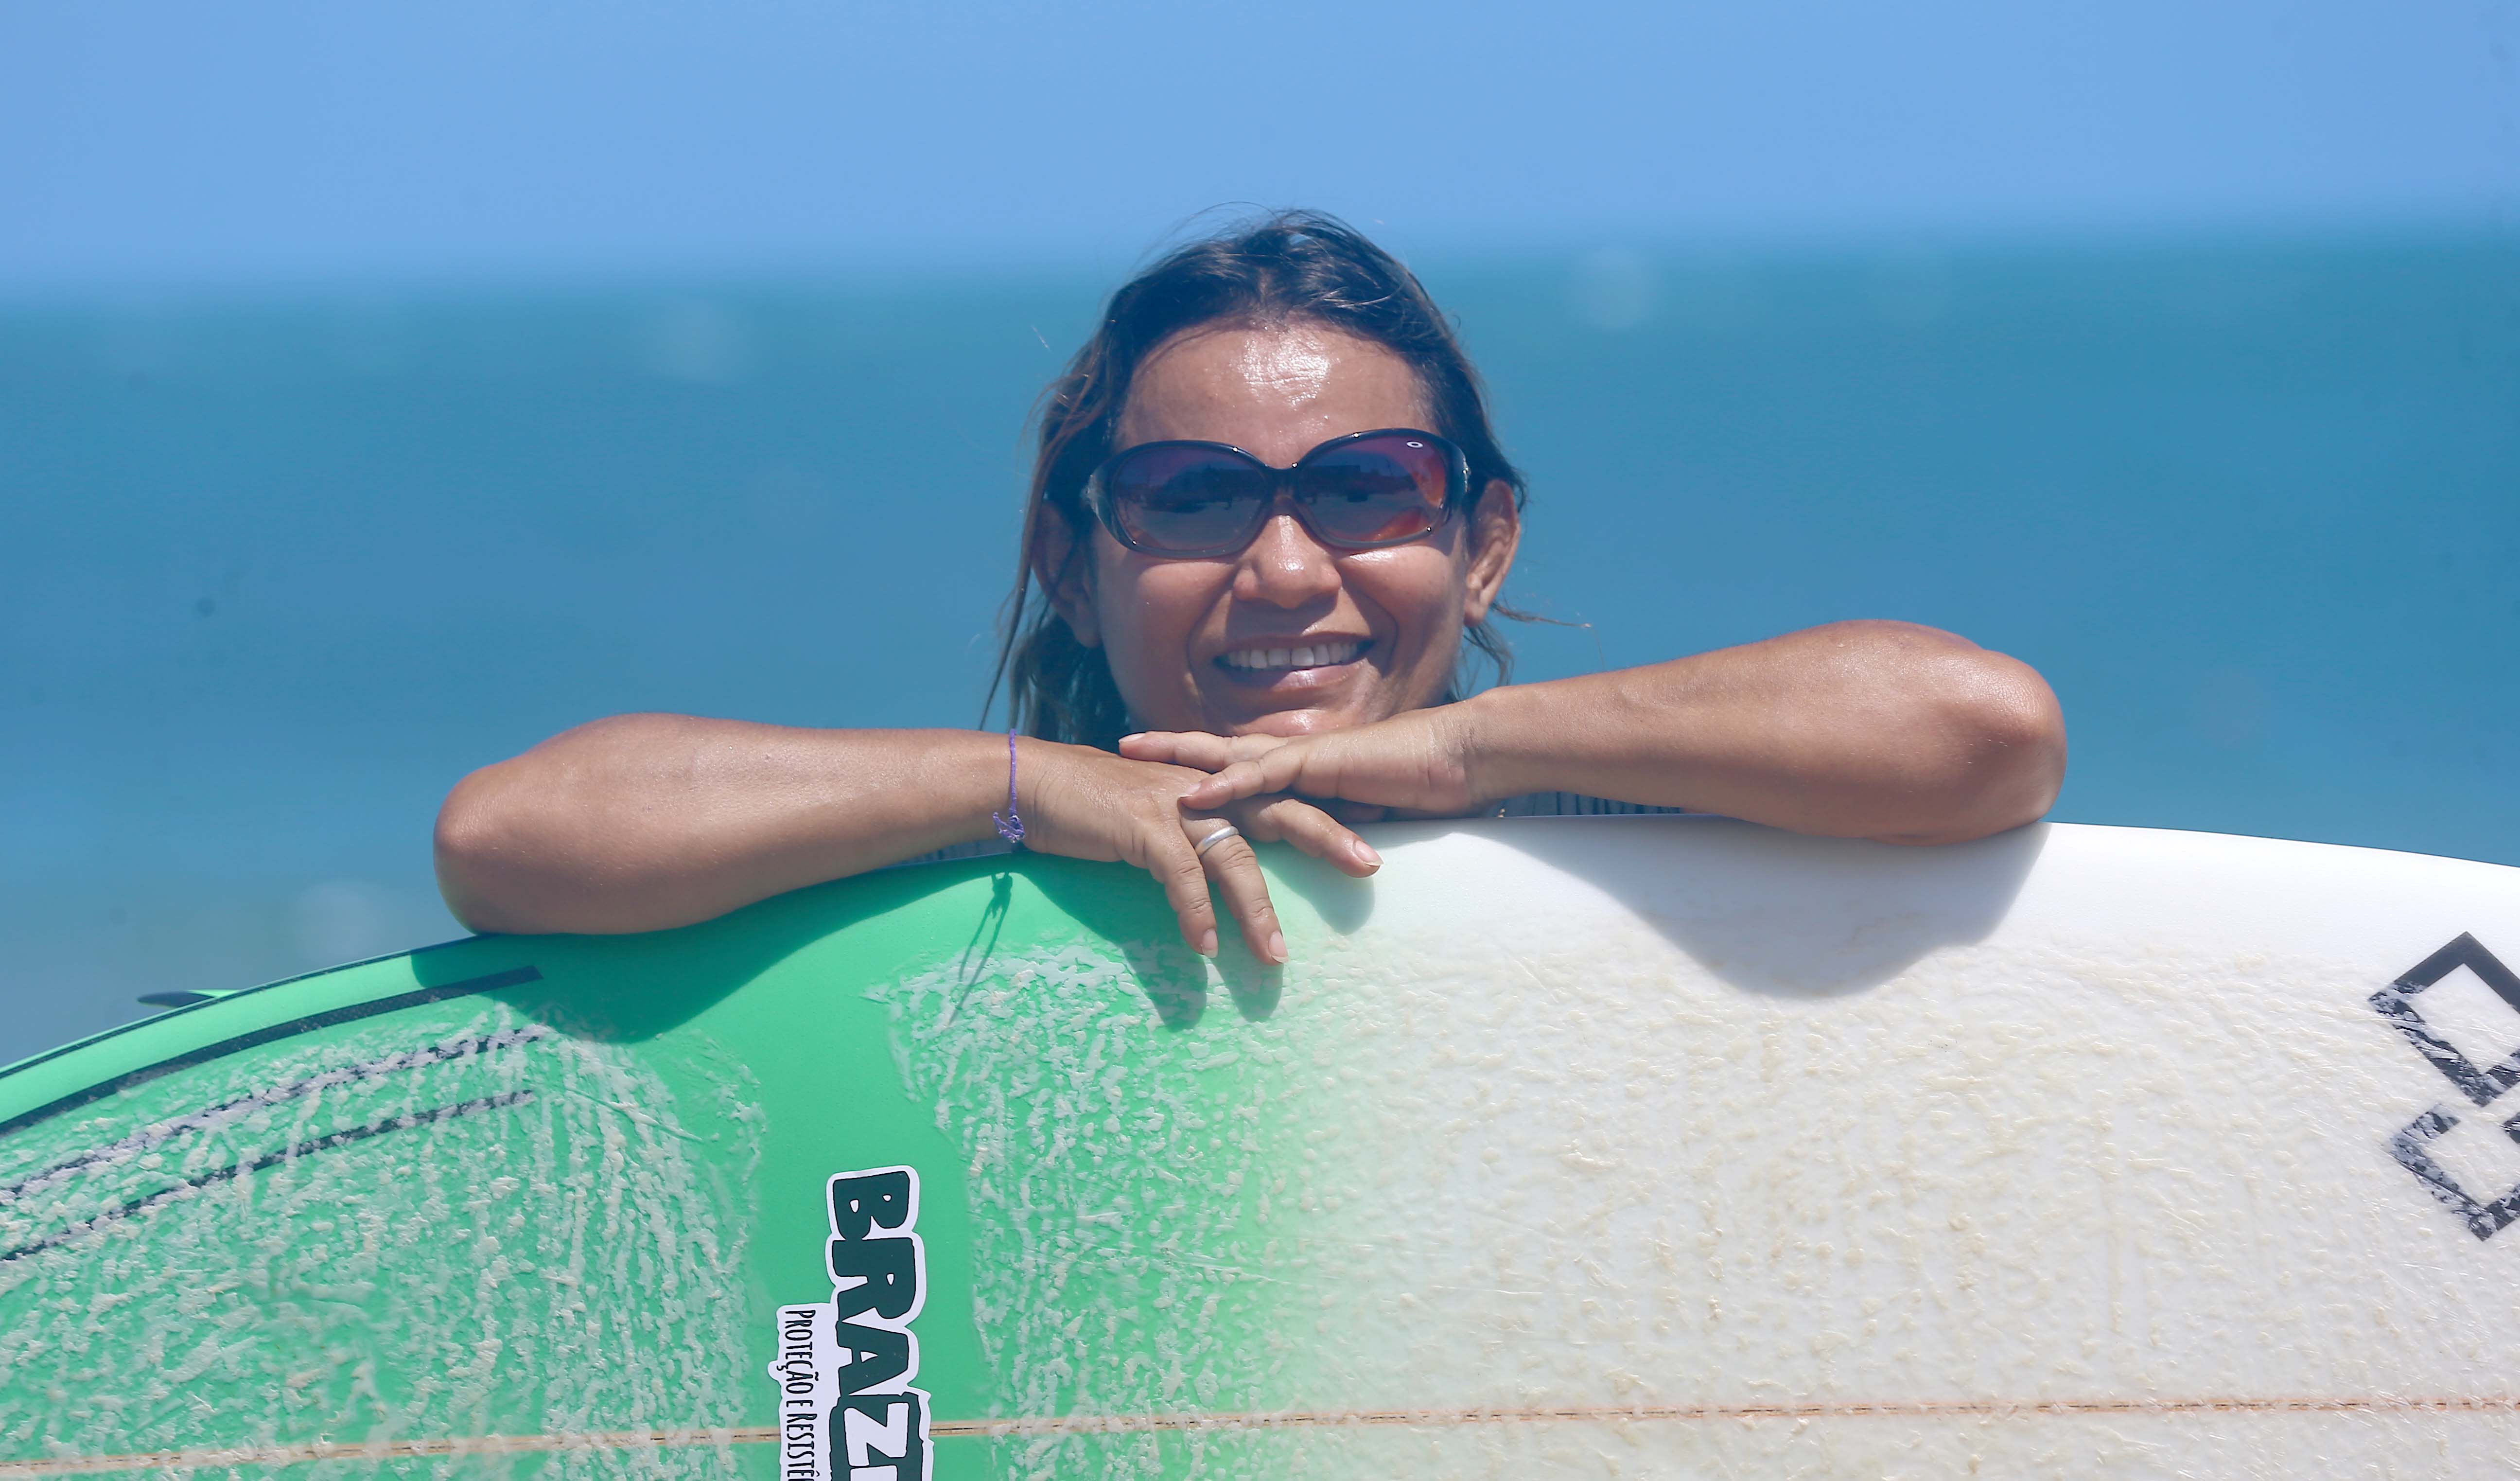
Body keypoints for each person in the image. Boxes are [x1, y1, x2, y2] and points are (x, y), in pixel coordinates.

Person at [434, 212, 2066, 964]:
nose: (1288, 568)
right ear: (1071, 568)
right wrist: (1023, 788)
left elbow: (1982, 732)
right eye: (1196, 498)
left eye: (1366, 489)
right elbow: (506, 841)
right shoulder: (947, 848)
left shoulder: (1603, 822)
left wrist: (1468, 759)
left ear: (1481, 540)